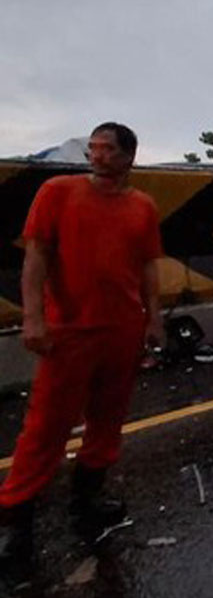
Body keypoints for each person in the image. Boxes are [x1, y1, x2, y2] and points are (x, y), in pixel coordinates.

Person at [1, 123, 164, 570]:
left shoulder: (142, 207)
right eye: (93, 148)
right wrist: (33, 318)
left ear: (129, 157)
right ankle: (16, 519)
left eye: (107, 150)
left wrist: (155, 318)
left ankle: (87, 498)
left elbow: (148, 266)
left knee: (108, 419)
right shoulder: (57, 192)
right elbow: (35, 259)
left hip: (123, 330)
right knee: (46, 424)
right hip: (69, 330)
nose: (96, 156)